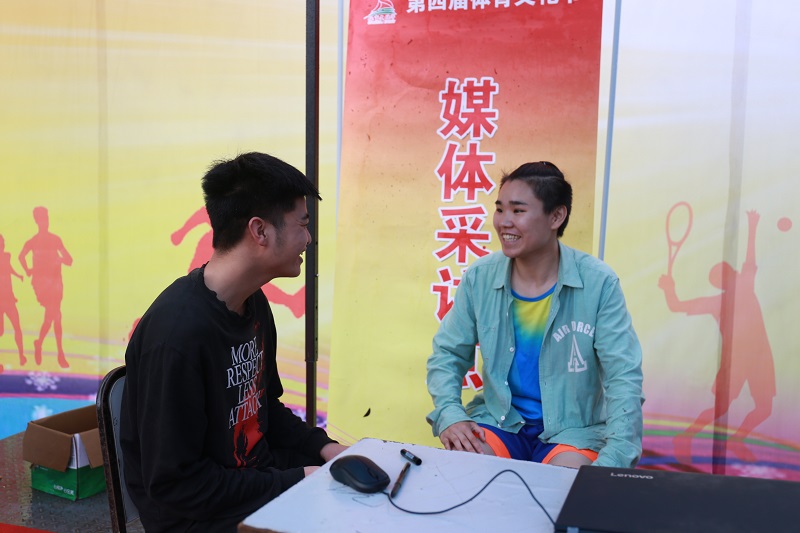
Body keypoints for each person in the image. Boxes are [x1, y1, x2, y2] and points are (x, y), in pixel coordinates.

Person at [120, 152, 347, 532]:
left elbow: (264, 409)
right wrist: (298, 480)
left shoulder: (252, 303)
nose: (308, 239)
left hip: (253, 481)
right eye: (302, 224)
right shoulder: (176, 335)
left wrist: (324, 448)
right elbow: (177, 485)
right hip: (197, 517)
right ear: (260, 231)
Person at [426, 161, 644, 468]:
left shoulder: (599, 282)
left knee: (563, 485)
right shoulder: (480, 277)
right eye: (500, 209)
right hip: (501, 421)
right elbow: (447, 353)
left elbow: (624, 377)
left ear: (556, 216)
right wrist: (450, 414)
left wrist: (614, 461)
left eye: (518, 210)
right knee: (465, 468)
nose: (504, 222)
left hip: (573, 432)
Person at [659, 210, 774, 464]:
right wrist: (669, 288)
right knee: (722, 408)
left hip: (760, 356)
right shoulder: (717, 302)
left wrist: (752, 227)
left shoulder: (745, 285)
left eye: (728, 271)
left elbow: (750, 259)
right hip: (736, 361)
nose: (731, 275)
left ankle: (737, 440)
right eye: (722, 275)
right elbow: (676, 305)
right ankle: (685, 437)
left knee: (765, 408)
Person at [18, 206, 73, 368]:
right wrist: (28, 270)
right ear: (37, 221)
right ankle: (59, 353)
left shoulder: (55, 240)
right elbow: (21, 256)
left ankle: (41, 344)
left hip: (56, 283)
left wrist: (59, 260)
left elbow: (69, 259)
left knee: (55, 316)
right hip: (43, 285)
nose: (45, 222)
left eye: (46, 218)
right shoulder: (33, 241)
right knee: (55, 316)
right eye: (42, 219)